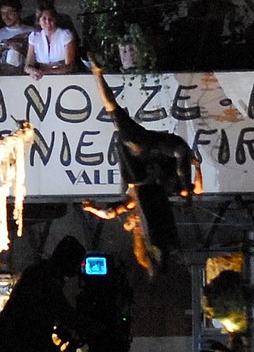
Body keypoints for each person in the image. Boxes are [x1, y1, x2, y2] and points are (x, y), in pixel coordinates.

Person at [80, 60, 202, 270]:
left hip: (141, 153)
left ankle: (97, 72)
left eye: (132, 222)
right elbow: (198, 189)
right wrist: (196, 170)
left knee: (116, 116)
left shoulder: (131, 202)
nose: (134, 220)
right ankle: (97, 73)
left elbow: (109, 213)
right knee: (180, 156)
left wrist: (92, 209)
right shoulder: (163, 194)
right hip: (159, 151)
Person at [24, 5, 77, 80]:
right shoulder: (34, 36)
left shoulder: (65, 35)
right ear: (39, 21)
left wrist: (47, 71)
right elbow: (27, 66)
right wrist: (33, 71)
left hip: (63, 77)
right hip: (40, 78)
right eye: (44, 19)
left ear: (55, 20)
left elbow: (69, 66)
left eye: (50, 19)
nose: (48, 22)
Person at [0, 0, 34, 73]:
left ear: (19, 12)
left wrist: (20, 49)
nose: (6, 17)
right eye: (3, 13)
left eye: (9, 13)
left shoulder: (32, 32)